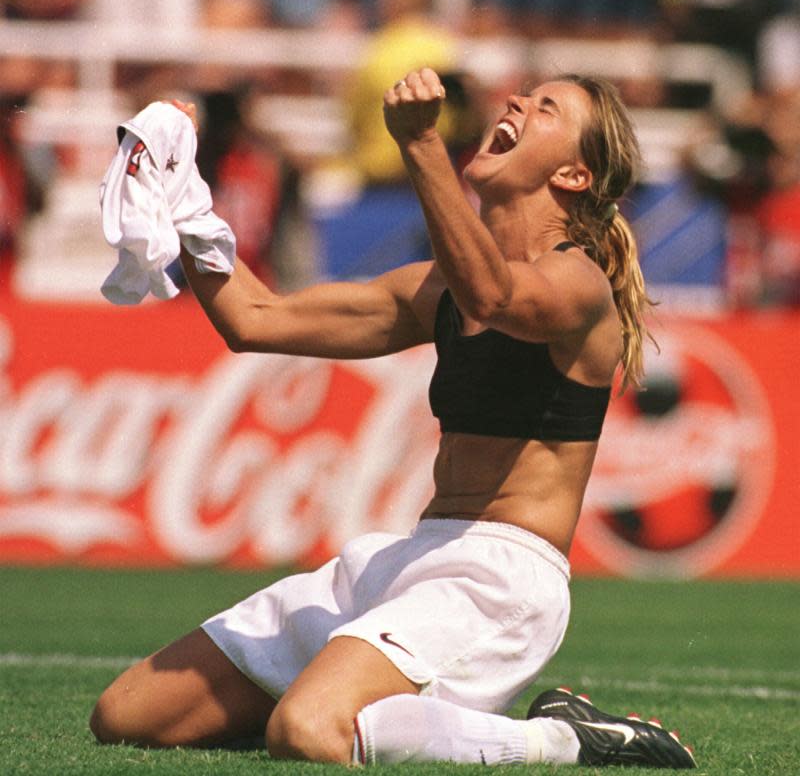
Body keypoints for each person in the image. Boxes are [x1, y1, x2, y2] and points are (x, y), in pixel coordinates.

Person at [89, 68, 696, 769]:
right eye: (524, 96)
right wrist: (185, 200)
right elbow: (255, 319)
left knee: (309, 730)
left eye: (547, 108)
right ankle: (377, 716)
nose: (518, 104)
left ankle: (563, 741)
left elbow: (494, 297)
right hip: (408, 556)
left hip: (498, 583)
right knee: (129, 715)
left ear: (574, 176)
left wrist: (422, 145)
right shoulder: (438, 286)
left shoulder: (579, 282)